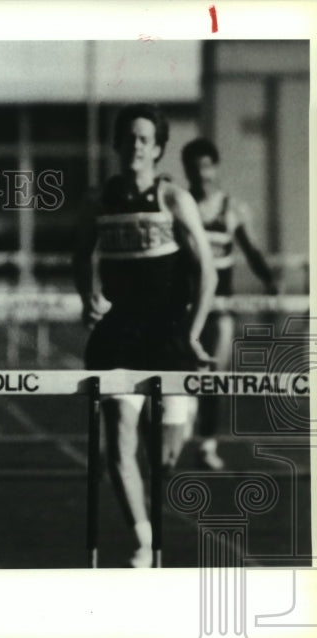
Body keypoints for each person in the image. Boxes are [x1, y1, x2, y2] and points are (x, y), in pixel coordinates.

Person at [73, 104, 216, 567]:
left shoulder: (173, 198)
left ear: (156, 149)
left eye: (144, 139)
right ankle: (141, 541)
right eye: (128, 138)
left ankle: (174, 443)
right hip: (119, 334)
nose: (135, 146)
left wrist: (193, 334)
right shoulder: (98, 199)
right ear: (117, 146)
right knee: (118, 439)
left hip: (170, 333)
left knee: (166, 458)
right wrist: (86, 296)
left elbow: (207, 272)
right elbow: (80, 256)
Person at [180, 138, 279, 470]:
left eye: (207, 167)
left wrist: (270, 280)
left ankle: (207, 444)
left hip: (221, 308)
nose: (202, 175)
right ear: (187, 172)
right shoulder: (181, 205)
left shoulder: (232, 209)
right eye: (194, 169)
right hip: (187, 306)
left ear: (216, 168)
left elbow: (250, 249)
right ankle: (179, 431)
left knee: (214, 376)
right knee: (184, 374)